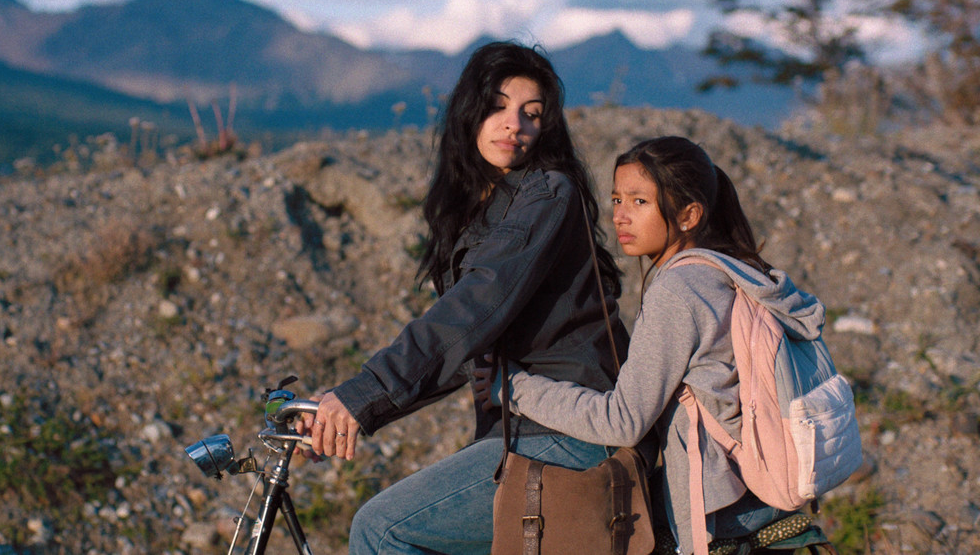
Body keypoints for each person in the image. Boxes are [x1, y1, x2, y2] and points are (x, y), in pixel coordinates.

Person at [299, 40, 630, 554]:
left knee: (381, 530)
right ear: (470, 111)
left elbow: (472, 311)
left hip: (571, 431)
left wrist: (363, 397)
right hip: (523, 431)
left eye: (531, 114)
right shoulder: (478, 208)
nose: (514, 124)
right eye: (498, 106)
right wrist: (342, 405)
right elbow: (460, 348)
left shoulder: (548, 193)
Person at [476, 135, 823, 554]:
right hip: (759, 495)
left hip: (722, 515)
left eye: (639, 201)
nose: (620, 215)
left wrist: (514, 388)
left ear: (689, 215)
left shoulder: (678, 290)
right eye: (617, 199)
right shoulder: (732, 271)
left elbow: (622, 421)